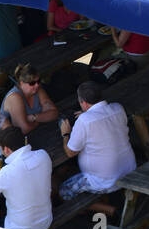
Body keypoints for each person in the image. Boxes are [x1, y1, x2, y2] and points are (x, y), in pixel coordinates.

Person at [58, 80, 137, 216]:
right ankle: (106, 204)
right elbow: (102, 122)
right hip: (129, 169)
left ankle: (109, 211)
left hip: (104, 181)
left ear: (83, 102)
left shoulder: (84, 121)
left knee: (64, 191)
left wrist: (65, 133)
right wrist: (86, 115)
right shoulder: (118, 108)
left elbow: (70, 152)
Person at [0, 125, 53, 229]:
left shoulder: (6, 173)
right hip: (45, 222)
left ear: (6, 149)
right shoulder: (43, 155)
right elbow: (25, 175)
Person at [0, 64, 58, 135]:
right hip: (11, 140)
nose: (37, 85)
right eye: (32, 83)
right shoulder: (14, 97)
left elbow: (54, 113)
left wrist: (33, 117)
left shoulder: (37, 90)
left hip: (35, 133)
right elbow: (23, 129)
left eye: (38, 81)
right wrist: (41, 119)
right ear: (21, 83)